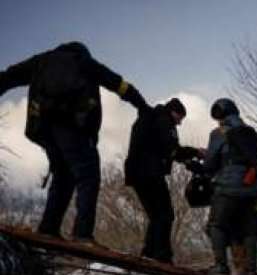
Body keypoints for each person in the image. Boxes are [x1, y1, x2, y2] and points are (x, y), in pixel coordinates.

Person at [0, 42, 147, 242]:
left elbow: (9, 76)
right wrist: (143, 106)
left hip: (43, 129)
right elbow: (119, 85)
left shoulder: (42, 60)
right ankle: (82, 234)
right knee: (88, 177)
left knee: (63, 175)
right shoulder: (85, 63)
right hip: (73, 127)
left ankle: (48, 228)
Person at [124, 98, 200, 263]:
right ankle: (162, 255)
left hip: (136, 173)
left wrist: (186, 159)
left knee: (156, 214)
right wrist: (195, 152)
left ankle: (149, 252)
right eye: (180, 118)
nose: (179, 123)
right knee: (165, 214)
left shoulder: (152, 119)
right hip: (150, 173)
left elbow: (165, 150)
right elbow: (172, 149)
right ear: (174, 112)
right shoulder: (165, 121)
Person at [203, 98, 257, 275]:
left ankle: (221, 268)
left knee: (216, 225)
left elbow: (210, 164)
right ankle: (252, 272)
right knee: (249, 230)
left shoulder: (218, 133)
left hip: (228, 187)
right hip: (252, 189)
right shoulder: (254, 135)